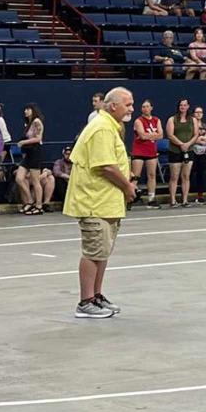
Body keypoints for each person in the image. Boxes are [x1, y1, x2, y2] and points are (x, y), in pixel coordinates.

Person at [65, 87, 137, 319]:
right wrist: (127, 186)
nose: (131, 109)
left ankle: (96, 296)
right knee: (93, 251)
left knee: (102, 251)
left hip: (106, 202)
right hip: (94, 201)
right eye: (128, 104)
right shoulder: (102, 128)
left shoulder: (110, 127)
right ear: (112, 105)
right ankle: (85, 302)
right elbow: (105, 165)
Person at [14, 103, 48, 215]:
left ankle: (39, 205)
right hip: (28, 154)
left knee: (35, 181)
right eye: (25, 109)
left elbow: (38, 138)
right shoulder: (28, 124)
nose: (25, 111)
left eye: (28, 109)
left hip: (35, 152)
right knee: (19, 178)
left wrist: (24, 142)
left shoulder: (37, 122)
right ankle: (29, 200)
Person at [130, 100, 163, 208]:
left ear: (151, 108)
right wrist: (153, 135)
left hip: (151, 151)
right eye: (143, 107)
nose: (145, 108)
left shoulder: (156, 120)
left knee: (152, 175)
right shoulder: (138, 121)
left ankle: (151, 199)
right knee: (135, 176)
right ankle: (129, 199)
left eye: (147, 106)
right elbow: (142, 136)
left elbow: (161, 135)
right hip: (139, 151)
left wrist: (149, 135)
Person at [166, 98, 199, 207]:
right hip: (175, 151)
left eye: (185, 105)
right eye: (181, 105)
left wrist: (188, 144)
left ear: (188, 106)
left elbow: (196, 134)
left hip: (188, 151)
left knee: (186, 176)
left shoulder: (193, 120)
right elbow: (170, 135)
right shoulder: (172, 119)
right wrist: (181, 144)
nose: (183, 107)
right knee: (174, 176)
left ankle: (185, 200)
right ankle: (172, 200)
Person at [189, 106, 206, 204]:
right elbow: (192, 138)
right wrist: (200, 139)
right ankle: (186, 195)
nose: (199, 114)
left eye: (201, 112)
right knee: (189, 174)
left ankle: (200, 195)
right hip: (193, 152)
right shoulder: (190, 125)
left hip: (204, 153)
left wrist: (202, 139)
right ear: (193, 114)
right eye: (197, 112)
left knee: (201, 174)